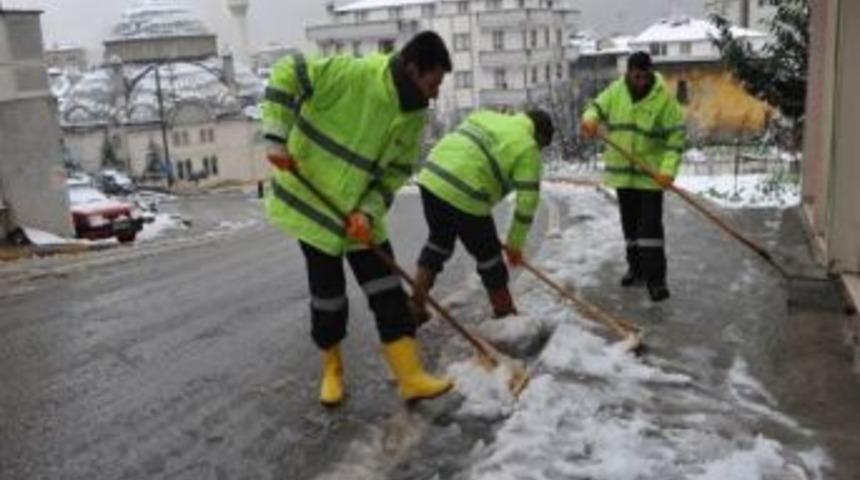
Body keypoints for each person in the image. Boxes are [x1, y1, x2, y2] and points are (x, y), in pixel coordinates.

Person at [260, 31, 454, 407]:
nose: (435, 94)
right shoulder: (351, 75)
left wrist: (367, 212)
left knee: (388, 294)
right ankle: (332, 369)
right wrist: (275, 135)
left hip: (359, 219)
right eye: (433, 83)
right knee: (328, 298)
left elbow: (395, 174)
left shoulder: (413, 118)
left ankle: (410, 377)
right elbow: (287, 70)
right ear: (413, 70)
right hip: (315, 211)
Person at [411, 109, 554, 322]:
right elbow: (527, 203)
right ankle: (505, 314)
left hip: (432, 177)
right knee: (490, 257)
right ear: (540, 136)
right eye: (542, 146)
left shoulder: (487, 116)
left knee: (439, 241)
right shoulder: (527, 147)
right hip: (468, 191)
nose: (539, 151)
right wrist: (514, 244)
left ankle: (415, 305)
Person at [580, 51, 685, 302]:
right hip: (623, 176)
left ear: (650, 73)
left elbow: (675, 140)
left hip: (650, 177)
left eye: (643, 75)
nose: (639, 80)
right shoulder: (616, 91)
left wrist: (667, 172)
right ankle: (635, 270)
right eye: (635, 75)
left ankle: (656, 281)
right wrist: (590, 120)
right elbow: (595, 108)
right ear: (628, 73)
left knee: (649, 229)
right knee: (630, 228)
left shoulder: (664, 101)